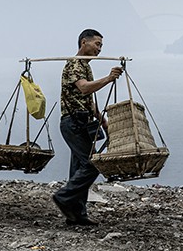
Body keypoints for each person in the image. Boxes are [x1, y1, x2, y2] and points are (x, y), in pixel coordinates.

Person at [51, 28, 124, 226]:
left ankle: (76, 215)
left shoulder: (85, 66)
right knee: (92, 165)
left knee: (78, 169)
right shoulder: (74, 64)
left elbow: (88, 100)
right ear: (84, 42)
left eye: (101, 46)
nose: (99, 49)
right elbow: (84, 88)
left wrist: (102, 120)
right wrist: (108, 78)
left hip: (83, 123)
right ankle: (64, 197)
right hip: (72, 123)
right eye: (97, 44)